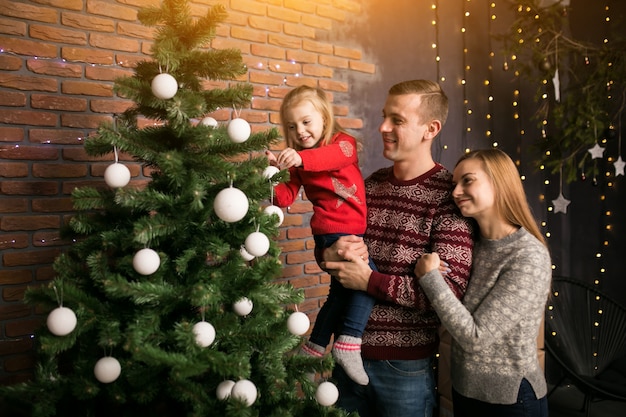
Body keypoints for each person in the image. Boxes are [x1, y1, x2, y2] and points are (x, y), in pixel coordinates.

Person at [321, 80, 474, 417]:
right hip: (346, 357)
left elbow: (445, 295)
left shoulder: (449, 198)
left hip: (403, 370)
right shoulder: (370, 184)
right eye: (384, 116)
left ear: (430, 129)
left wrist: (368, 282)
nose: (383, 127)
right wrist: (329, 256)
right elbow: (336, 249)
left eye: (398, 120)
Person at [414, 148, 551, 417]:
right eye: (455, 184)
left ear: (499, 182)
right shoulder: (471, 245)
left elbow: (476, 337)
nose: (455, 192)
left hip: (511, 401)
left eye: (468, 180)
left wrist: (431, 279)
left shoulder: (528, 256)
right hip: (465, 392)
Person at [266, 85, 376, 385]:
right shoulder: (299, 162)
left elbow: (331, 158)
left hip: (351, 231)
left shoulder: (344, 144)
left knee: (339, 294)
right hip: (332, 233)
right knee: (369, 279)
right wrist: (274, 175)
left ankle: (314, 346)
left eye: (306, 121)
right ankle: (349, 342)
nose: (300, 131)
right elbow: (284, 199)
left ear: (324, 119)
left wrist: (302, 160)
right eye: (292, 126)